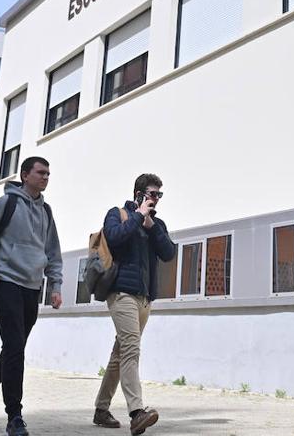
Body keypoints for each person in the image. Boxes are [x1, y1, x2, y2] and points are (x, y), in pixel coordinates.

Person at [0, 156, 62, 436]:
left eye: (48, 173)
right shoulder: (7, 203)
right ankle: (14, 417)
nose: (45, 177)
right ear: (25, 175)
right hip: (5, 280)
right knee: (15, 348)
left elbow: (53, 252)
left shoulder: (47, 212)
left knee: (12, 349)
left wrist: (55, 286)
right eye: (41, 172)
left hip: (32, 287)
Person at [93, 173, 176, 434]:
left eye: (158, 195)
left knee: (120, 354)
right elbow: (114, 238)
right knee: (131, 349)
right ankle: (137, 412)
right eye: (152, 194)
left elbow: (169, 253)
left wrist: (152, 226)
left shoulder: (156, 224)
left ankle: (101, 409)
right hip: (121, 294)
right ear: (138, 194)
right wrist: (139, 215)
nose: (156, 199)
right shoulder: (118, 214)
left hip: (144, 298)